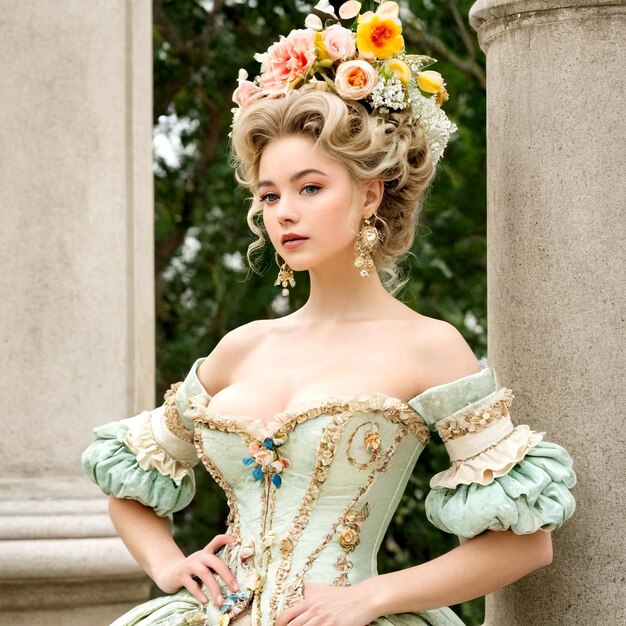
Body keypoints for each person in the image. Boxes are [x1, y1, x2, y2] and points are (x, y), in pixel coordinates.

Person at [82, 2, 576, 625]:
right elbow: (130, 483)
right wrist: (167, 566)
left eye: (310, 187)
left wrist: (372, 595)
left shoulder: (429, 346)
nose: (283, 211)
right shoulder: (242, 347)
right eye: (269, 194)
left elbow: (526, 542)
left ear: (370, 193)